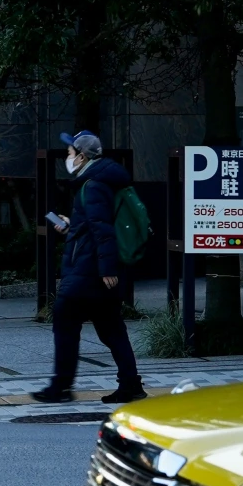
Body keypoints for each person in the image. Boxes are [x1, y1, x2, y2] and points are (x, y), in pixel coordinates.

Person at [27, 130, 146, 412]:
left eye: (70, 153)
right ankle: (131, 384)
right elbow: (94, 225)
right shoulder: (101, 180)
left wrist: (107, 268)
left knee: (65, 322)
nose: (68, 157)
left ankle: (61, 387)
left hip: (88, 270)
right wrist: (71, 226)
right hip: (95, 266)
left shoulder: (92, 184)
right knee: (112, 329)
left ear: (81, 156)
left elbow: (103, 228)